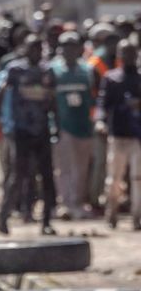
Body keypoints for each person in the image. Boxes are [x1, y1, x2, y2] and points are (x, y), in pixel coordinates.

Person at [0, 35, 57, 235]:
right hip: (20, 130)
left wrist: (56, 126)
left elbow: (52, 100)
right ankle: (3, 216)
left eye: (38, 48)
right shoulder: (15, 70)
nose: (35, 52)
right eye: (32, 48)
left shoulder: (48, 71)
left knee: (47, 176)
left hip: (42, 129)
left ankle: (47, 221)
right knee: (17, 176)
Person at [50, 31, 97, 220]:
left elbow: (93, 99)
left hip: (84, 126)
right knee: (63, 167)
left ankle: (78, 202)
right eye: (66, 46)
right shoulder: (54, 70)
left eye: (73, 46)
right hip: (62, 126)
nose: (69, 50)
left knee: (81, 167)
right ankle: (65, 204)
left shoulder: (87, 71)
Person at [97, 40, 141, 230]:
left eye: (132, 52)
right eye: (125, 53)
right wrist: (101, 122)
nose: (129, 57)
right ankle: (112, 213)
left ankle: (137, 216)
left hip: (137, 137)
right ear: (119, 55)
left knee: (137, 178)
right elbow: (102, 105)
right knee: (114, 178)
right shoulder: (111, 78)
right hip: (117, 134)